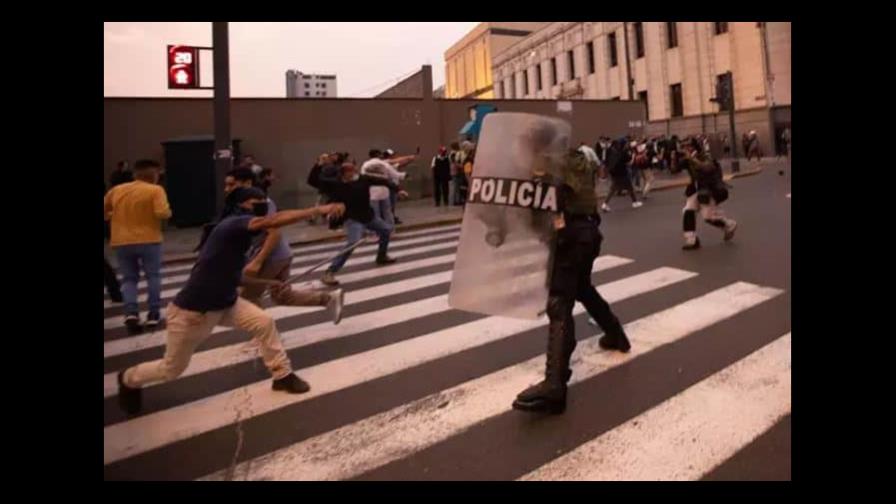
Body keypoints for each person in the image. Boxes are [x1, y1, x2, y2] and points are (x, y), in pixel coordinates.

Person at [116, 187, 346, 414]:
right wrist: (320, 209)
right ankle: (128, 378)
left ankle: (282, 375)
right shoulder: (233, 224)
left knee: (264, 322)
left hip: (226, 302)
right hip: (193, 313)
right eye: (258, 201)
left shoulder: (238, 239)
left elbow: (237, 277)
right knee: (171, 369)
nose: (262, 205)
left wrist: (271, 283)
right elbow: (273, 221)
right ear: (242, 205)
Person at [512, 148, 631, 415]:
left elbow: (550, 204)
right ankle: (615, 334)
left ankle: (554, 385)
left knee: (559, 304)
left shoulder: (548, 167)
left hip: (570, 238)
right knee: (582, 289)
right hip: (589, 234)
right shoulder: (574, 160)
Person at [213, 168, 345, 319]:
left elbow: (274, 231)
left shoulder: (257, 202)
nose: (227, 189)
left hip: (270, 257)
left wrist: (257, 261)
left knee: (248, 300)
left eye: (231, 184)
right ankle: (328, 299)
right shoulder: (247, 201)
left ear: (247, 183)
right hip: (281, 255)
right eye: (226, 185)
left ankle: (266, 338)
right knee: (282, 296)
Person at [104, 159, 172, 335]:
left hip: (122, 241)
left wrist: (114, 215)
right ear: (154, 175)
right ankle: (153, 313)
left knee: (129, 279)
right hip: (149, 239)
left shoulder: (117, 190)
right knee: (153, 276)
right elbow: (162, 213)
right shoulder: (156, 190)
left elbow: (105, 211)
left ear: (135, 174)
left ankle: (131, 312)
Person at [310, 162, 404, 286]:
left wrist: (398, 190)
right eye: (348, 172)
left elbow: (384, 181)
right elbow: (314, 180)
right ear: (343, 173)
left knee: (386, 230)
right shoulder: (336, 183)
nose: (352, 174)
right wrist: (318, 165)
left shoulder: (363, 179)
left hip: (369, 216)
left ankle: (382, 256)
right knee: (352, 243)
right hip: (353, 219)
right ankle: (330, 272)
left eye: (353, 171)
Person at [680, 138, 737, 250]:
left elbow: (708, 168)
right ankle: (691, 239)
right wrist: (674, 158)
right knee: (688, 211)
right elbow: (674, 169)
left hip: (707, 189)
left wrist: (692, 159)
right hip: (694, 189)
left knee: (708, 217)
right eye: (684, 146)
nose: (687, 148)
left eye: (689, 145)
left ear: (695, 146)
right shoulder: (687, 158)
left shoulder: (704, 155)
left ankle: (729, 225)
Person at [361, 149, 406, 226]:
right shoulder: (384, 164)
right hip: (384, 190)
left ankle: (377, 231)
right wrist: (404, 175)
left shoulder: (365, 165)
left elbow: (362, 176)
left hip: (372, 191)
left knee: (375, 213)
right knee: (387, 212)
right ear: (379, 155)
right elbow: (394, 174)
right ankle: (390, 229)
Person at [601, 138, 643, 212]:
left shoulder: (611, 150)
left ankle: (605, 204)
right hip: (622, 173)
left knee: (612, 189)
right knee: (630, 188)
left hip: (613, 173)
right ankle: (635, 202)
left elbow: (606, 161)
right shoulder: (623, 152)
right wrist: (633, 156)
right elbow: (630, 163)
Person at [381, 148, 417, 224]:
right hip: (388, 186)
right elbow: (398, 160)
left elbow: (401, 163)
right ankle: (387, 219)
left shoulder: (391, 164)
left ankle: (392, 217)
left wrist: (410, 160)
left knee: (392, 204)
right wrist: (408, 157)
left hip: (394, 186)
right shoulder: (384, 162)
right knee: (389, 204)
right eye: (392, 155)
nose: (394, 156)